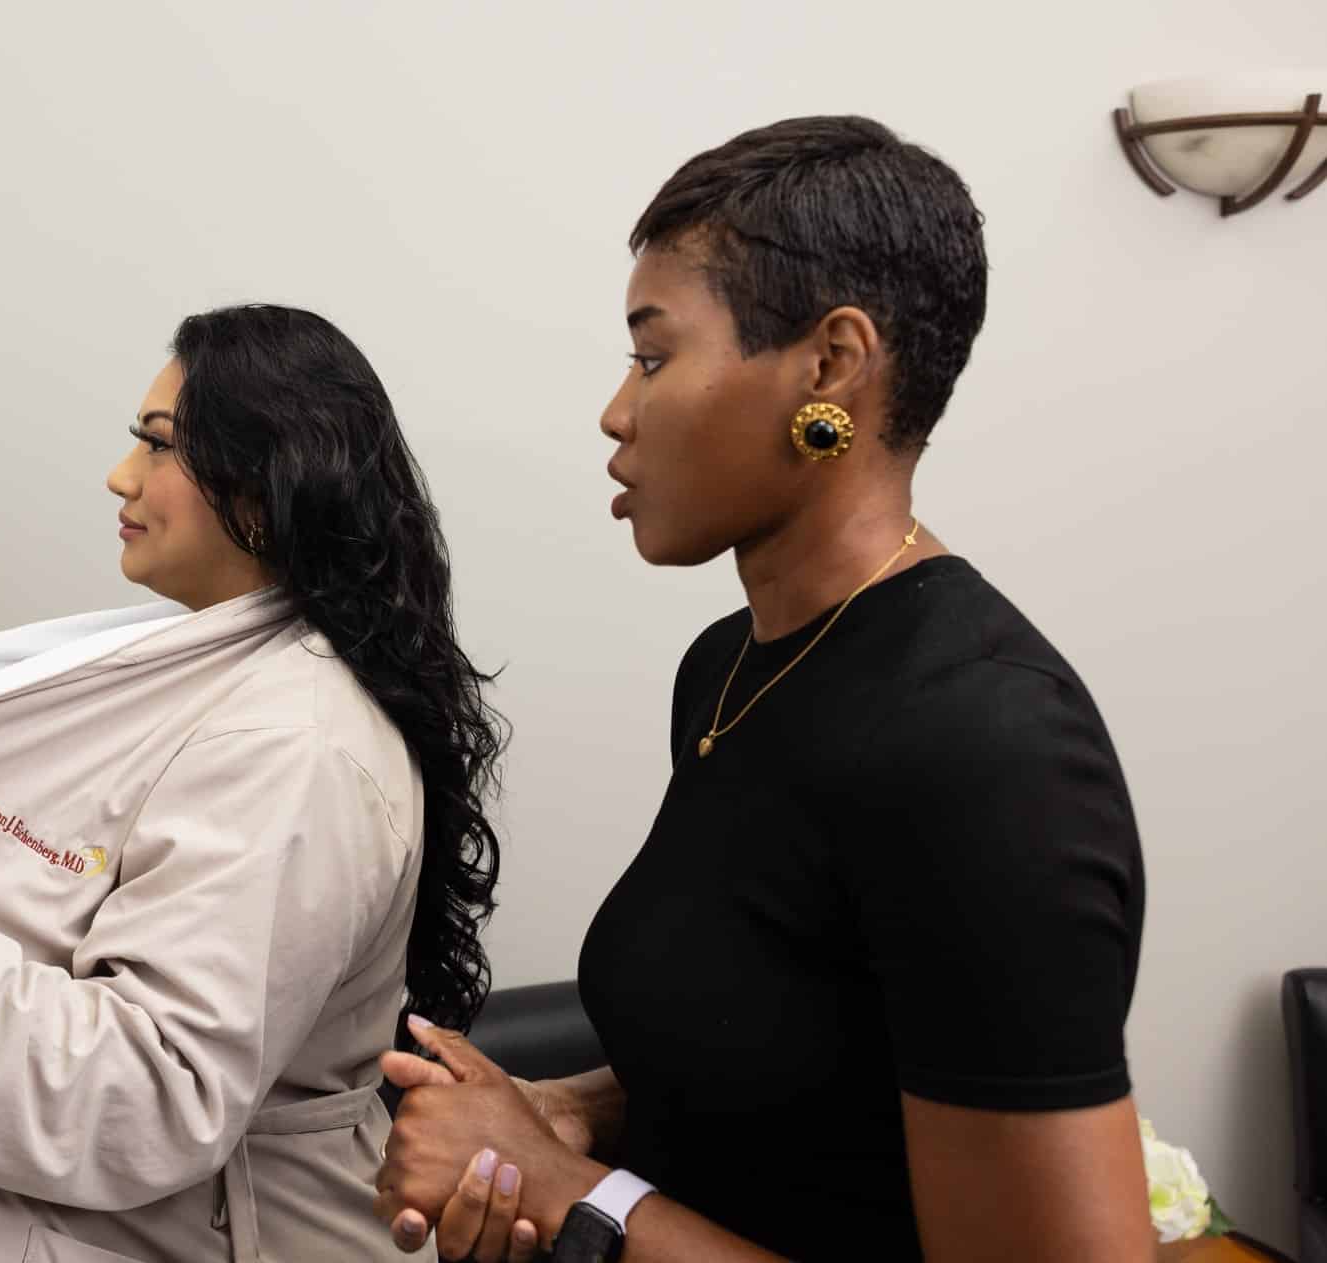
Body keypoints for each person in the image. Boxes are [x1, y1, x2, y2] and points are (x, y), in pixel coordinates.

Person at [373, 116, 1152, 1262]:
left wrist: (577, 1195)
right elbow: (797, 1072)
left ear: (829, 367)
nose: (615, 410)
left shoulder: (984, 743)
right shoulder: (727, 667)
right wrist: (573, 1109)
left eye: (651, 356)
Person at [0, 304, 503, 1262]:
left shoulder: (296, 745)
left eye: (157, 446)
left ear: (266, 491)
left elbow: (154, 1092)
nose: (121, 476)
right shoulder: (214, 678)